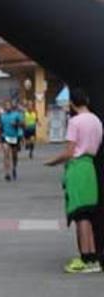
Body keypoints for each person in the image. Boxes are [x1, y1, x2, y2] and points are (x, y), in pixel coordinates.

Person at [45, 88, 102, 274]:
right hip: (90, 167)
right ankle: (93, 257)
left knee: (80, 216)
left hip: (77, 167)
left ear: (72, 103)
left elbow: (70, 152)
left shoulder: (75, 121)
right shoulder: (96, 120)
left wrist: (52, 162)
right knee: (88, 212)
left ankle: (84, 258)